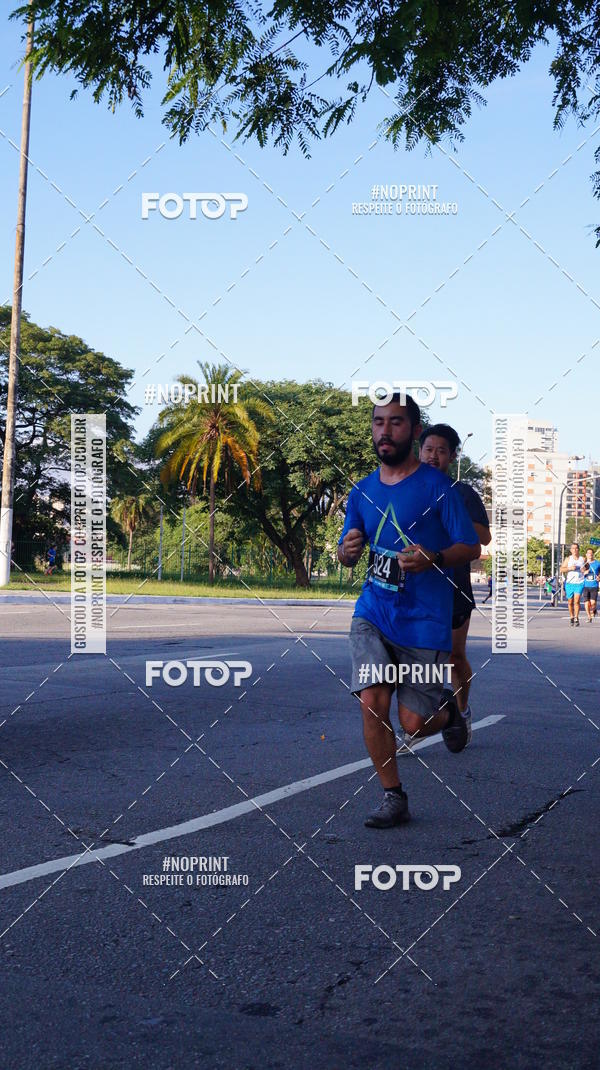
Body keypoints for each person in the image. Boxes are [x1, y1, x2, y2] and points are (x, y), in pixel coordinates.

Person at [338, 393, 480, 828]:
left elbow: (471, 546)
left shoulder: (439, 489)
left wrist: (435, 557)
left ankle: (449, 712)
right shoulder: (361, 490)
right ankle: (393, 796)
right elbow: (346, 550)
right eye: (379, 422)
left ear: (415, 431)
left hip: (423, 622)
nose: (385, 430)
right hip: (373, 613)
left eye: (396, 422)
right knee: (372, 701)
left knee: (414, 723)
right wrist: (346, 551)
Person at [418, 424, 491, 729]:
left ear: (451, 457)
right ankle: (419, 718)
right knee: (418, 657)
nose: (433, 456)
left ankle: (462, 711)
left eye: (441, 451)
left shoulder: (462, 493)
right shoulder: (406, 489)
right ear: (419, 452)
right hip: (415, 588)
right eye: (428, 449)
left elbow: (483, 538)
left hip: (454, 587)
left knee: (455, 657)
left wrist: (450, 517)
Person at [560, 542, 585, 626]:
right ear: (571, 550)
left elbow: (587, 568)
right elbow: (561, 569)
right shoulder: (568, 559)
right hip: (570, 583)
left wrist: (584, 570)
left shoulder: (582, 559)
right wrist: (570, 568)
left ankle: (576, 617)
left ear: (578, 549)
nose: (575, 550)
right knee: (570, 602)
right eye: (573, 548)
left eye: (576, 548)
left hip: (579, 582)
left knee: (577, 601)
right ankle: (571, 617)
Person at [582, 548, 600, 622]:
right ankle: (589, 617)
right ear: (586, 554)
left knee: (593, 603)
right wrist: (584, 573)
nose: (590, 554)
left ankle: (594, 610)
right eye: (588, 553)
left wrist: (599, 577)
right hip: (585, 586)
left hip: (594, 585)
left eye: (591, 553)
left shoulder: (597, 563)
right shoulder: (584, 563)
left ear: (593, 554)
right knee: (586, 603)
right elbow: (579, 573)